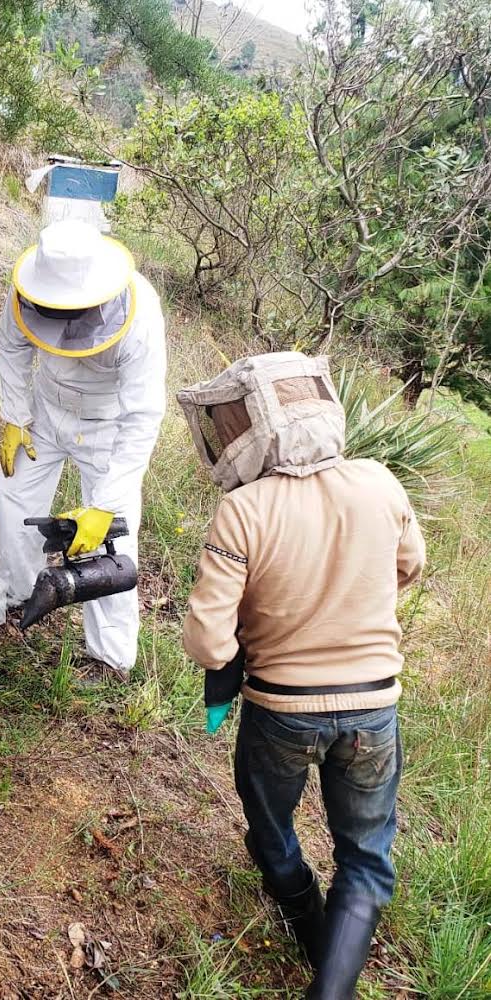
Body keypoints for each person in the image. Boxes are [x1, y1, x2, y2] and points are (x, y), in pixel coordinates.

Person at [177, 352, 426, 999]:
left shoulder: (242, 509)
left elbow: (207, 642)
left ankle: (310, 930)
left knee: (269, 829)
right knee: (365, 857)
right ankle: (331, 975)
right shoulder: (379, 480)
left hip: (279, 710)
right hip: (373, 709)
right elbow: (409, 565)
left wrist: (246, 643)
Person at [0, 220, 167, 679]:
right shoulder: (29, 289)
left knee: (114, 538)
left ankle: (110, 658)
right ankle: (19, 598)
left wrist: (105, 504)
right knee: (10, 493)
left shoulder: (140, 316)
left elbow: (143, 417)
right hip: (46, 414)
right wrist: (15, 416)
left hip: (108, 426)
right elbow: (11, 346)